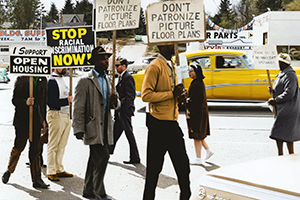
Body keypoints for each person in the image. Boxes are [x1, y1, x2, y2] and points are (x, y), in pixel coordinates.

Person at [141, 44, 191, 200]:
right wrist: (171, 94)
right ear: (161, 46)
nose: (174, 45)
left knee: (183, 167)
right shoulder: (154, 66)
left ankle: (186, 196)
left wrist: (180, 97)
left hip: (172, 123)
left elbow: (175, 94)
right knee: (154, 171)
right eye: (171, 43)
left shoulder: (173, 66)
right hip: (158, 124)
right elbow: (146, 96)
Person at [73, 46, 120, 200]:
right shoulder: (85, 81)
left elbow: (114, 105)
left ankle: (88, 189)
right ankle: (99, 191)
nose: (106, 61)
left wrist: (115, 102)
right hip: (93, 125)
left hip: (106, 125)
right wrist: (78, 128)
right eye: (102, 58)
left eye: (107, 58)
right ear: (94, 62)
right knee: (103, 156)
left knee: (95, 159)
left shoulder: (108, 79)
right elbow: (78, 106)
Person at [2, 76, 49, 189]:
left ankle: (37, 179)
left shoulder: (43, 79)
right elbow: (14, 100)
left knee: (35, 150)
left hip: (36, 121)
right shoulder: (21, 79)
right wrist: (25, 102)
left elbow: (43, 102)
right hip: (22, 121)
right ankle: (9, 170)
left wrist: (43, 120)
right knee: (18, 147)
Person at [109, 57, 140, 164]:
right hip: (119, 110)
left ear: (124, 66)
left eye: (118, 65)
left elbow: (130, 95)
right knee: (115, 132)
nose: (116, 68)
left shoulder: (128, 77)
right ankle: (108, 152)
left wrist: (122, 106)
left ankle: (135, 157)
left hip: (124, 111)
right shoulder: (121, 77)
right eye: (115, 66)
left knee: (129, 133)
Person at [268, 53, 300, 155]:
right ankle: (281, 154)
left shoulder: (290, 74)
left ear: (283, 63)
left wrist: (276, 100)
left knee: (283, 133)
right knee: (282, 134)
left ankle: (288, 155)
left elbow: (289, 93)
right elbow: (280, 89)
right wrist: (272, 91)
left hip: (288, 109)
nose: (278, 64)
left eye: (280, 62)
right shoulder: (283, 73)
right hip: (283, 108)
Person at [46, 68, 73, 181]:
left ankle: (59, 168)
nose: (64, 68)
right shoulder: (52, 81)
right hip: (56, 114)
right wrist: (67, 101)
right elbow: (51, 102)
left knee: (62, 144)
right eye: (61, 66)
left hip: (66, 114)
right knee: (53, 144)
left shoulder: (62, 79)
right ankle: (51, 170)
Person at [185, 64, 214, 165]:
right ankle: (208, 150)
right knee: (199, 135)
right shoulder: (197, 82)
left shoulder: (197, 84)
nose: (189, 72)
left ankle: (198, 158)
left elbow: (194, 101)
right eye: (189, 70)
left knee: (197, 135)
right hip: (199, 113)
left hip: (197, 114)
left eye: (191, 70)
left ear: (196, 72)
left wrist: (185, 99)